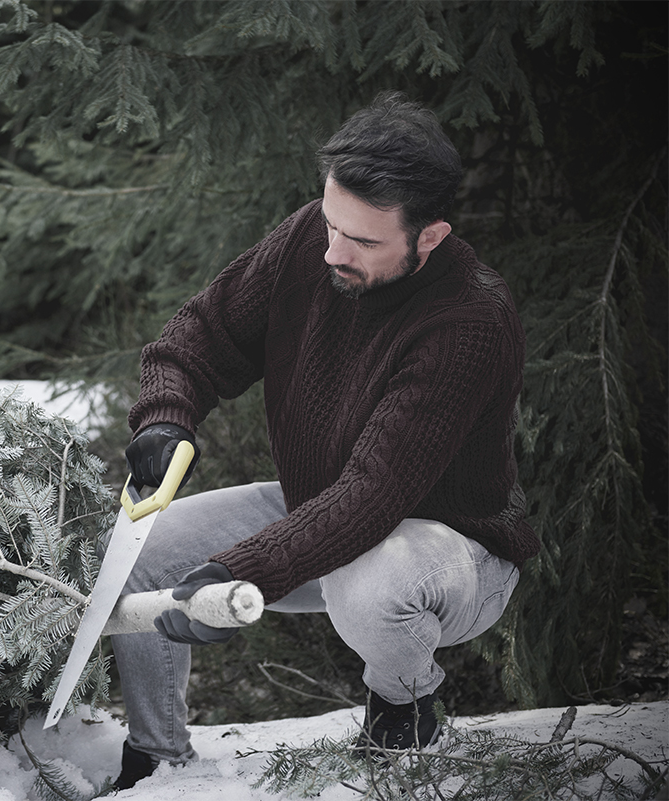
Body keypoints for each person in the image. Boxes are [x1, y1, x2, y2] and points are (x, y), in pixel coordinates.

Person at [110, 91, 540, 790]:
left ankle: (405, 709)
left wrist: (238, 571)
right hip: (320, 510)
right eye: (332, 225)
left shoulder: (470, 321)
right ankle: (156, 761)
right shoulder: (316, 235)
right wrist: (166, 417)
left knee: (372, 582)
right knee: (147, 545)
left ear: (428, 237)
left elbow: (375, 494)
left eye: (363, 241)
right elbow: (200, 334)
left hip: (450, 549)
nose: (333, 251)